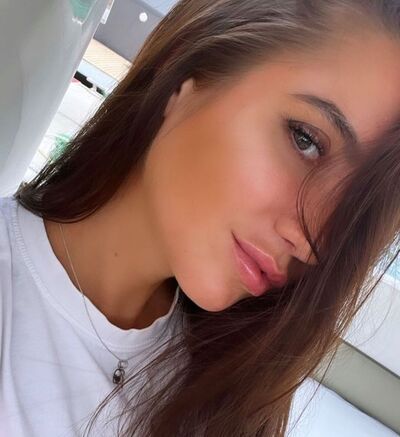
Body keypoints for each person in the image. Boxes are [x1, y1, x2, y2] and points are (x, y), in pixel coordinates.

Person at [1, 0, 399, 436]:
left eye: (354, 212)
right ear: (189, 72)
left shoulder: (237, 394)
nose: (313, 242)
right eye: (306, 140)